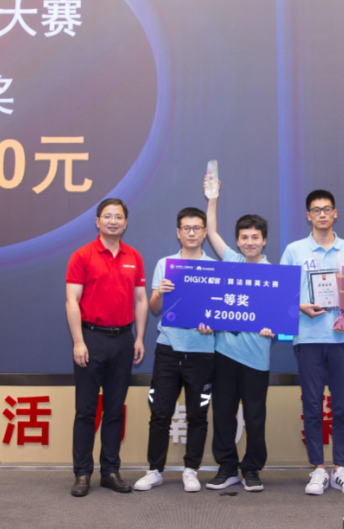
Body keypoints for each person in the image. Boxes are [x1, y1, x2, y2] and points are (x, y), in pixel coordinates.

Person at [280, 190, 344, 496]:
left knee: (341, 407)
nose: (322, 214)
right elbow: (282, 294)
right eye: (316, 210)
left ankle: (340, 469)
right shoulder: (294, 250)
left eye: (327, 209)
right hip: (308, 339)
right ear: (308, 215)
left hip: (342, 337)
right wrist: (300, 305)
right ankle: (317, 469)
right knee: (312, 406)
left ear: (335, 213)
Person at [65, 198, 148, 497]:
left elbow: (141, 300)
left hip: (123, 340)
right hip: (91, 339)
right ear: (97, 221)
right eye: (108, 216)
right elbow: (72, 300)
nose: (113, 221)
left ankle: (110, 471)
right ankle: (82, 473)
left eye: (119, 217)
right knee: (86, 411)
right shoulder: (82, 255)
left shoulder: (134, 257)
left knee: (114, 410)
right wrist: (78, 341)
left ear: (126, 222)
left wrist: (139, 338)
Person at [134, 207, 216, 493]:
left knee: (197, 415)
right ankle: (155, 470)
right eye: (186, 228)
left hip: (202, 352)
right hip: (168, 349)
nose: (191, 233)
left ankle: (191, 470)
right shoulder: (165, 264)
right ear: (178, 233)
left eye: (197, 228)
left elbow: (218, 312)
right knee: (160, 413)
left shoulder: (214, 267)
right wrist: (159, 292)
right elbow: (155, 307)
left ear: (205, 232)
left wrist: (212, 326)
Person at [200, 177, 275, 492]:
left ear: (264, 241)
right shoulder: (230, 261)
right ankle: (227, 467)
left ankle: (252, 468)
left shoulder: (274, 274)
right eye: (244, 237)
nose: (249, 242)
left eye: (255, 237)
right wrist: (212, 197)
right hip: (225, 354)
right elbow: (211, 232)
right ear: (238, 241)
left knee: (255, 416)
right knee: (223, 413)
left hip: (256, 357)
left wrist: (274, 328)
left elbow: (281, 317)